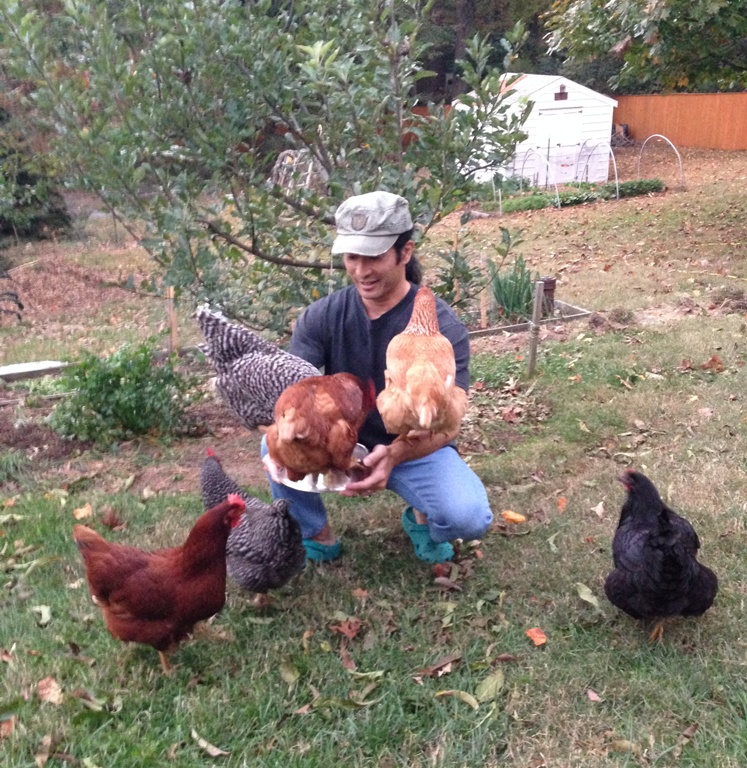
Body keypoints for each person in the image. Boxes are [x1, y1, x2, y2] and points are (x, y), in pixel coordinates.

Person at [261, 190, 493, 563]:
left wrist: (395, 454)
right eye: (353, 257)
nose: (361, 270)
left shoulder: (441, 329)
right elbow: (291, 396)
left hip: (414, 445)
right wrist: (280, 438)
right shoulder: (322, 316)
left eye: (374, 257)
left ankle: (423, 520)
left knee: (467, 516)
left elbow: (448, 426)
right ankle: (316, 534)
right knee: (274, 444)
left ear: (405, 253)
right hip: (335, 441)